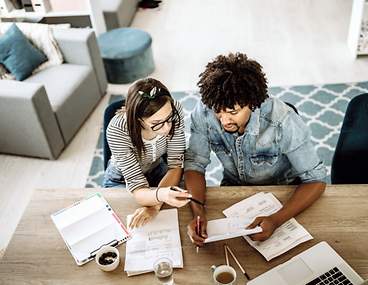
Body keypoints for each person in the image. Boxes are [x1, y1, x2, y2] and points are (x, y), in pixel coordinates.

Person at [184, 53, 327, 246]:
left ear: (252, 103)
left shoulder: (283, 120)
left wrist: (276, 220)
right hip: (232, 187)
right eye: (218, 112)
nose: (224, 120)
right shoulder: (203, 112)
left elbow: (316, 180)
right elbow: (194, 164)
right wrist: (199, 214)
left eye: (233, 112)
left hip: (282, 191)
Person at [103, 78, 191, 227]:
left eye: (169, 119)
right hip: (121, 180)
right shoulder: (117, 130)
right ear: (137, 119)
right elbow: (138, 188)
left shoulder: (174, 109)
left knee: (184, 206)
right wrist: (161, 196)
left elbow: (176, 163)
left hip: (157, 169)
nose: (167, 128)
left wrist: (155, 205)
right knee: (123, 223)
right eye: (157, 124)